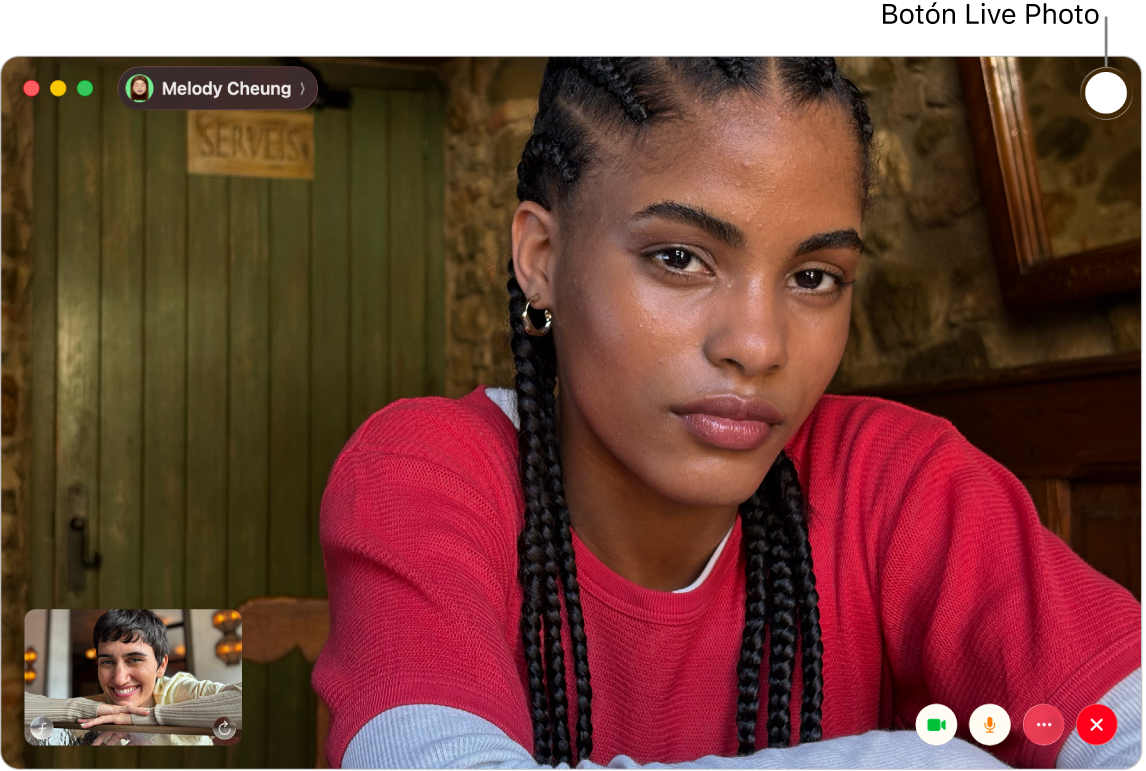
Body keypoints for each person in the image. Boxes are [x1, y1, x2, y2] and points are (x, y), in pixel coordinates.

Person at [311, 57, 1142, 769]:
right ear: (541, 257)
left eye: (814, 276)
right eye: (679, 257)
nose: (757, 344)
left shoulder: (899, 480)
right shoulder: (422, 471)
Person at [24, 609, 242, 747]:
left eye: (135, 659)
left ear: (161, 665)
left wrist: (144, 720)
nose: (119, 679)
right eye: (107, 662)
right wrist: (78, 708)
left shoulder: (180, 690)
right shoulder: (95, 708)